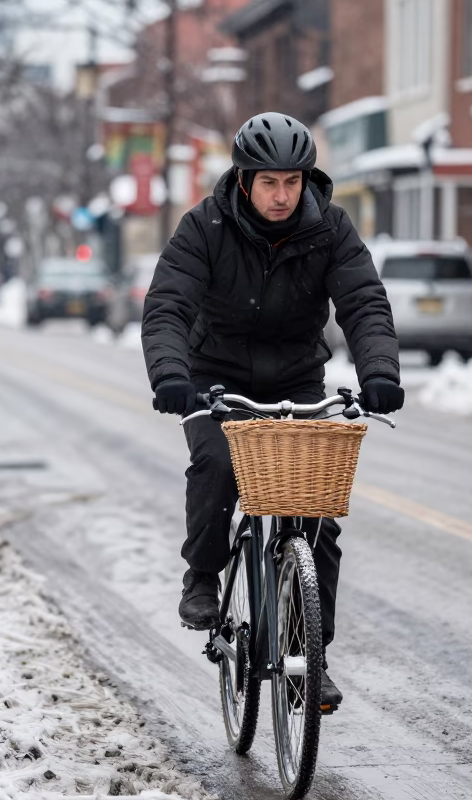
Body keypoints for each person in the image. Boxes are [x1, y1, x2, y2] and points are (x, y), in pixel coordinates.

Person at [142, 112, 404, 711]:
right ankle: (203, 576)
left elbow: (364, 302)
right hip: (214, 380)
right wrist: (172, 376)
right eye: (269, 183)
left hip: (296, 377)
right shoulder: (203, 228)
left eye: (292, 181)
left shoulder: (331, 229)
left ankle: (308, 660)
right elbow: (167, 308)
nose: (282, 195)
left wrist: (380, 374)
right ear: (243, 181)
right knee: (216, 465)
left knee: (316, 514)